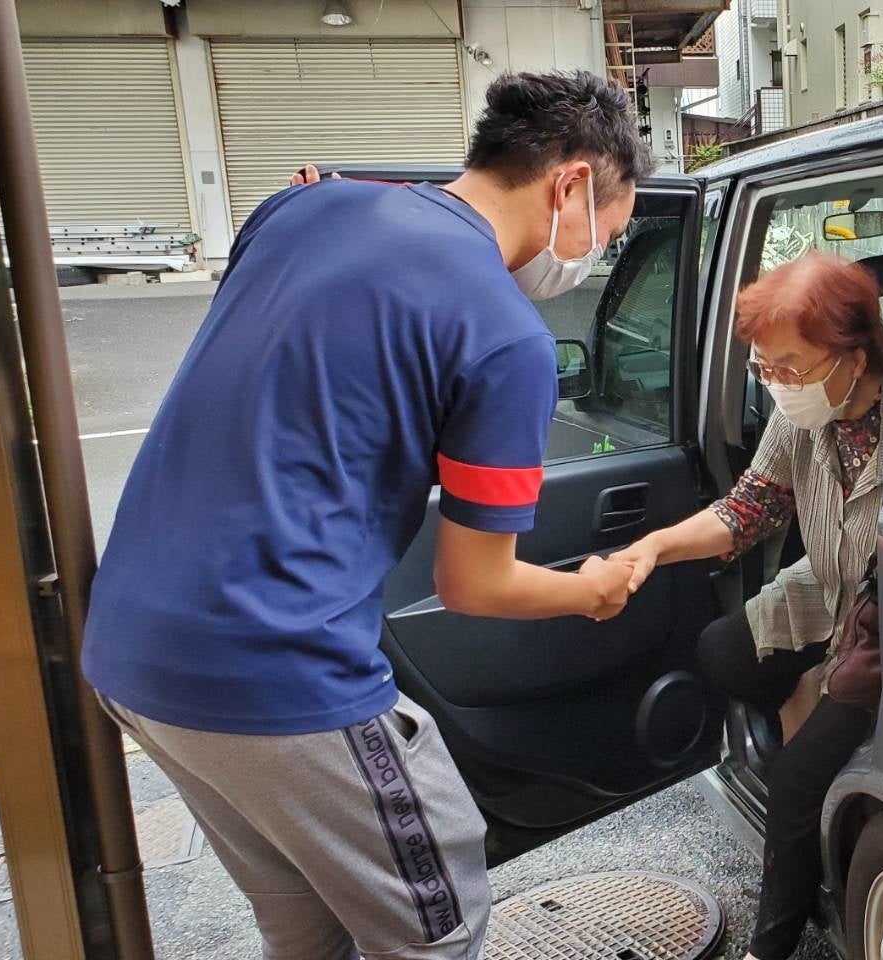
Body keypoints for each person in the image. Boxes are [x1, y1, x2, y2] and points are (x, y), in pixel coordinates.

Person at [81, 71, 652, 960]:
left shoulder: (301, 209)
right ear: (570, 185)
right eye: (607, 236)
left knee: (303, 926)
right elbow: (475, 584)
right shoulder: (505, 335)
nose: (593, 257)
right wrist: (594, 589)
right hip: (278, 670)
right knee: (438, 926)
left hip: (128, 652)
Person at [611, 252, 883, 960]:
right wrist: (654, 547)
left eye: (790, 367)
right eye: (766, 369)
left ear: (854, 356)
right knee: (720, 650)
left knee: (794, 784)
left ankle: (774, 944)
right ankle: (811, 709)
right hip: (830, 583)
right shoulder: (806, 414)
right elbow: (748, 508)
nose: (779, 385)